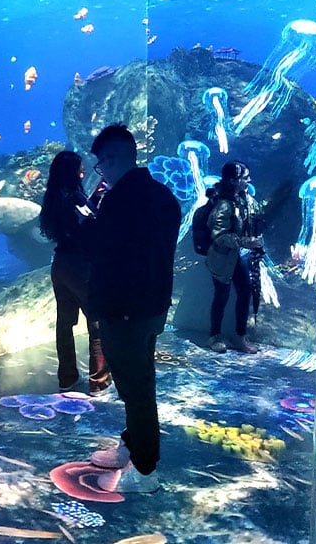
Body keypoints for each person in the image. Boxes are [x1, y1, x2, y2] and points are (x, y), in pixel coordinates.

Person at [81, 124, 181, 493]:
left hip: (123, 310)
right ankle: (132, 443)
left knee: (134, 387)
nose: (101, 171)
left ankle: (144, 465)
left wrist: (85, 224)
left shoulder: (120, 201)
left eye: (101, 163)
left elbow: (104, 254)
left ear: (112, 159)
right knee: (140, 380)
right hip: (151, 307)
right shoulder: (163, 196)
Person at [39, 151, 111, 396]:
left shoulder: (53, 197)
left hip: (60, 264)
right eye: (80, 169)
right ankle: (99, 381)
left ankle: (67, 378)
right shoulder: (72, 197)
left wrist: (95, 196)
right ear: (71, 172)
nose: (83, 173)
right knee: (97, 320)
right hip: (80, 265)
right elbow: (90, 222)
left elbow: (80, 215)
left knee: (65, 323)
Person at [205, 160, 262, 354]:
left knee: (244, 291)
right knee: (221, 296)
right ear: (233, 180)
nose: (249, 180)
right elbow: (219, 235)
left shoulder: (241, 199)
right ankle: (214, 336)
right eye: (245, 177)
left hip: (236, 256)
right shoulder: (223, 204)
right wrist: (245, 242)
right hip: (221, 259)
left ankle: (240, 336)